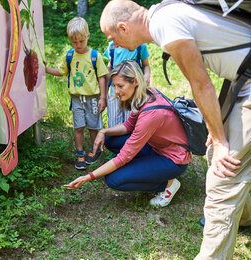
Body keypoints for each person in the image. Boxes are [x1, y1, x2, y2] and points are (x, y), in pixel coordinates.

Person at [100, 0, 250, 259]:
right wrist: (216, 129)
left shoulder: (165, 25)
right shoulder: (166, 13)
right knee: (222, 158)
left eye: (112, 37)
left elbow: (201, 85)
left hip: (245, 85)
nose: (113, 44)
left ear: (123, 27)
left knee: (222, 175)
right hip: (241, 80)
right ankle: (245, 217)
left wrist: (219, 138)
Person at [64, 60, 192, 208]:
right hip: (157, 147)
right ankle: (143, 168)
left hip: (173, 160)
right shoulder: (147, 94)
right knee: (110, 139)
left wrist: (88, 177)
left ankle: (168, 184)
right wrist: (103, 131)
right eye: (115, 86)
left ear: (135, 81)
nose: (116, 91)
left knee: (114, 179)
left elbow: (124, 157)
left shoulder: (150, 115)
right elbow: (128, 126)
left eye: (120, 86)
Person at [45, 17, 108, 170]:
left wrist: (103, 97)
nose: (78, 45)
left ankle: (94, 151)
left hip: (93, 98)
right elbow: (62, 72)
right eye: (74, 42)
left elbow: (102, 77)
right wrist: (46, 69)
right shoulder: (69, 56)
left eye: (81, 41)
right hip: (77, 99)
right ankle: (79, 153)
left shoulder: (95, 56)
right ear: (70, 40)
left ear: (88, 36)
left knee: (93, 127)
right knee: (78, 127)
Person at [104, 41, 151, 127]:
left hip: (132, 93)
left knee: (131, 123)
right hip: (115, 92)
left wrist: (147, 76)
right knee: (113, 123)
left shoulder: (140, 45)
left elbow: (146, 65)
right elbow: (109, 67)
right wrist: (105, 92)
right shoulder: (112, 46)